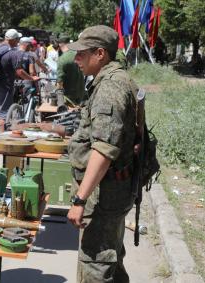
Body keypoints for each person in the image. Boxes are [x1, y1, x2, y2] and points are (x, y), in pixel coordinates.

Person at [66, 25, 139, 283]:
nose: (76, 59)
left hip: (104, 195)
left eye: (81, 54)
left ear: (100, 54)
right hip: (113, 190)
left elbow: (104, 150)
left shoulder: (110, 87)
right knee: (110, 261)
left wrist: (79, 199)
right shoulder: (116, 80)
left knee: (96, 265)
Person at [0, 29, 39, 136]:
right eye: (17, 39)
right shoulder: (12, 53)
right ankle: (2, 137)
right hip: (4, 85)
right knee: (3, 113)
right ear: (14, 40)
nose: (18, 41)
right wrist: (31, 78)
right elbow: (19, 71)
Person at [56, 35, 87, 106]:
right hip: (81, 95)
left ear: (60, 44)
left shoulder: (62, 59)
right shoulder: (78, 54)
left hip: (69, 99)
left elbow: (59, 84)